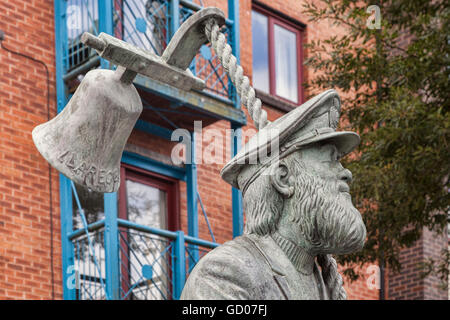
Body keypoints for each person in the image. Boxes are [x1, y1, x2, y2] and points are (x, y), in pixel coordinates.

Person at [181, 90, 367, 300]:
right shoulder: (223, 275)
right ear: (283, 178)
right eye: (330, 160)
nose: (346, 173)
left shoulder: (321, 284)